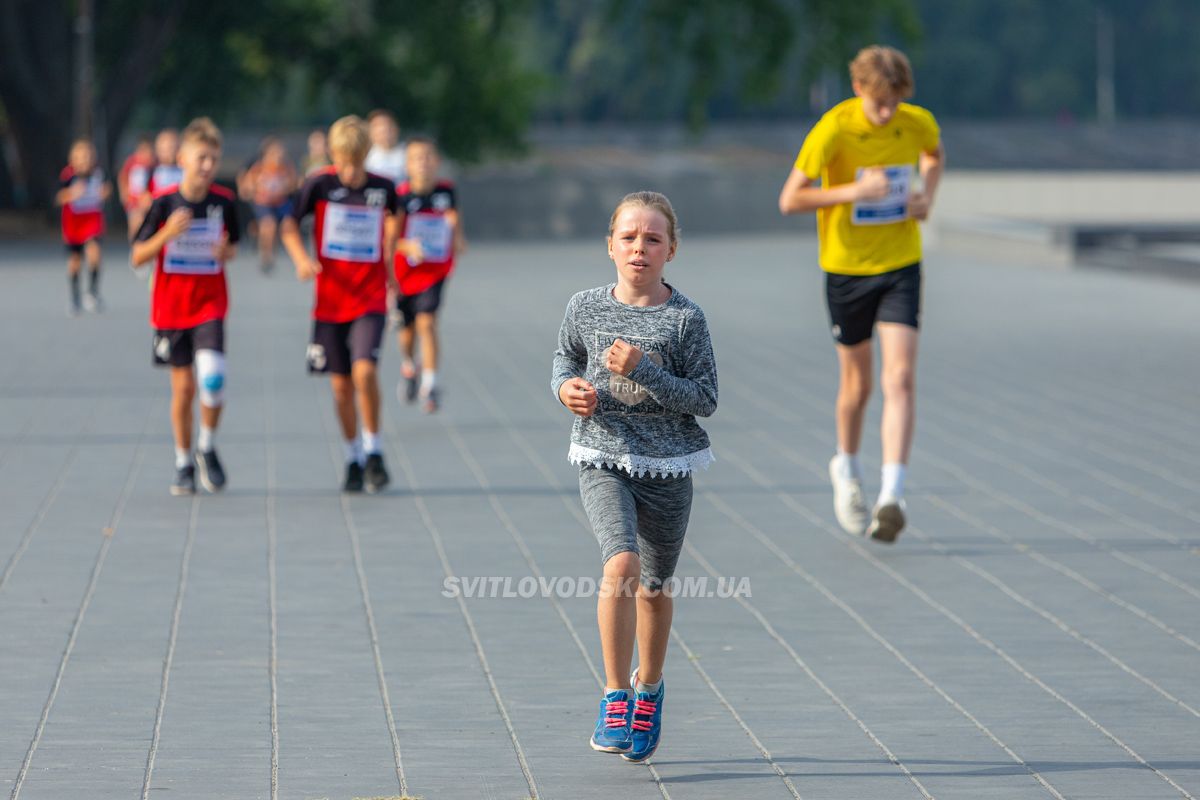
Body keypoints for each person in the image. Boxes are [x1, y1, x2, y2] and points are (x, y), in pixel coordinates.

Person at [552, 191, 717, 763]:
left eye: (651, 239)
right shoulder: (585, 306)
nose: (639, 249)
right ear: (610, 246)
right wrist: (564, 389)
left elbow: (706, 399)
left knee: (653, 588)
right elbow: (565, 357)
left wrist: (643, 370)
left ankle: (650, 687)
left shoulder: (685, 320)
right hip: (601, 452)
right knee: (619, 563)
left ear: (671, 249)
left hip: (669, 466)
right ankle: (615, 693)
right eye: (628, 237)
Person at [778, 45, 943, 543]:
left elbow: (933, 155)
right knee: (859, 386)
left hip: (899, 265)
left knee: (901, 378)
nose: (889, 111)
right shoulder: (833, 128)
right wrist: (852, 192)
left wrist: (925, 196)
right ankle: (846, 469)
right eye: (880, 104)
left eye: (895, 102)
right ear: (859, 91)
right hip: (846, 269)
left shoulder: (916, 123)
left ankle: (893, 495)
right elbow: (790, 199)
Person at [281, 115, 398, 494]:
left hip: (369, 298)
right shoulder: (319, 183)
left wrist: (394, 254)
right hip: (330, 302)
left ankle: (375, 448)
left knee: (365, 373)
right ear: (333, 156)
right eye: (343, 162)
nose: (350, 172)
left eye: (357, 163)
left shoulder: (383, 188)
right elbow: (289, 225)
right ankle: (352, 456)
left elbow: (397, 221)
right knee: (341, 387)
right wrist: (301, 258)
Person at [131, 117, 240, 496]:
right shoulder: (163, 203)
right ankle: (182, 462)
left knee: (213, 379)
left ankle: (207, 446)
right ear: (182, 158)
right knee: (183, 390)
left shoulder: (224, 202)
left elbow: (233, 247)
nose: (207, 166)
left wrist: (225, 251)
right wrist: (166, 234)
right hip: (171, 308)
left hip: (210, 303)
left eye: (213, 158)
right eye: (201, 158)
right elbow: (137, 256)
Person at [392, 136, 465, 413]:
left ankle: (430, 384)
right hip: (405, 272)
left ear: (436, 162)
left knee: (427, 322)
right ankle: (410, 366)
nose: (423, 163)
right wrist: (407, 245)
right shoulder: (400, 196)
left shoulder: (446, 191)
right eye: (416, 158)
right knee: (407, 331)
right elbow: (391, 238)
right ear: (407, 165)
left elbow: (454, 221)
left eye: (428, 157)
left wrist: (457, 236)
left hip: (435, 270)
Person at [56, 138, 110, 315]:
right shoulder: (68, 176)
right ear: (72, 160)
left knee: (95, 253)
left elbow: (107, 189)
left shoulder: (99, 173)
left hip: (92, 223)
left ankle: (92, 293)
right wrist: (72, 194)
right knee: (75, 262)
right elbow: (59, 197)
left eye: (88, 157)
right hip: (73, 225)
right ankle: (74, 297)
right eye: (80, 157)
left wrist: (105, 193)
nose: (84, 161)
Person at [239, 136, 297, 271]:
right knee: (269, 225)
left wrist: (285, 186)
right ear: (267, 153)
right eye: (275, 152)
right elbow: (247, 185)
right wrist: (255, 189)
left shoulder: (286, 167)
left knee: (289, 225)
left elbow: (294, 184)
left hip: (281, 202)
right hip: (263, 203)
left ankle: (284, 252)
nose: (278, 155)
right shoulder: (259, 168)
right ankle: (266, 256)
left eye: (280, 152)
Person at [118, 134, 155, 239]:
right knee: (135, 226)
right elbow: (122, 176)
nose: (146, 155)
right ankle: (135, 247)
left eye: (149, 152)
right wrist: (123, 193)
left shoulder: (153, 165)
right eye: (143, 151)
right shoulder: (132, 162)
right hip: (133, 201)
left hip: (148, 201)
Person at [364, 109, 406, 186]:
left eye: (388, 124)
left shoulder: (410, 153)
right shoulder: (363, 157)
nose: (384, 129)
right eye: (377, 125)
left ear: (397, 127)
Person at [147, 128, 183, 195]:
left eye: (172, 148)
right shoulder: (150, 174)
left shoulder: (185, 172)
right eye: (164, 149)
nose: (169, 153)